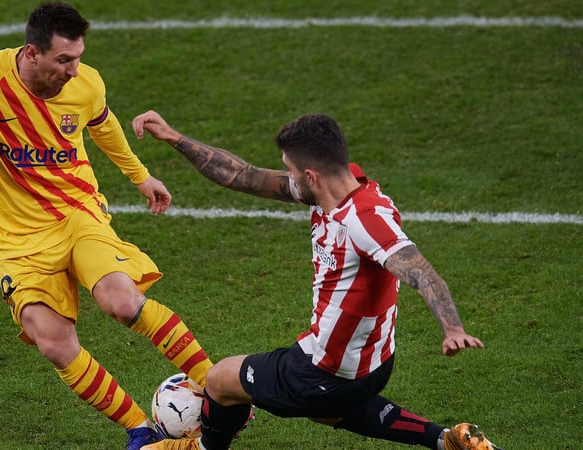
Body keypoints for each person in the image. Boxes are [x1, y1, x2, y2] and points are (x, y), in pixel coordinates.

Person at [0, 3, 213, 449]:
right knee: (52, 341)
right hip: (18, 238)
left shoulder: (86, 83)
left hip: (78, 214)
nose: (74, 69)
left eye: (78, 57)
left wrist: (140, 176)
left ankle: (219, 390)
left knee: (121, 301)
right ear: (32, 53)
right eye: (64, 60)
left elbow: (103, 125)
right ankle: (141, 431)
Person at [131, 110, 503, 450]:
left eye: (290, 170)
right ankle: (446, 441)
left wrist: (453, 328)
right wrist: (174, 137)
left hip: (323, 371)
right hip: (375, 365)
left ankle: (203, 448)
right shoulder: (341, 186)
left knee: (219, 380)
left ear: (311, 176)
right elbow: (243, 175)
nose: (287, 177)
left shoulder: (363, 220)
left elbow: (420, 271)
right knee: (326, 409)